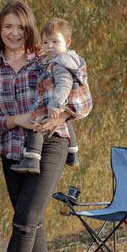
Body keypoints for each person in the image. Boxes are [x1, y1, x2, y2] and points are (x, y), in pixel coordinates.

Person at [0, 1, 91, 252]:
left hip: (50, 144)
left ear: (29, 29)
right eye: (7, 27)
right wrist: (16, 120)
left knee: (25, 220)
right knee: (34, 224)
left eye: (20, 27)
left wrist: (58, 116)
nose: (13, 33)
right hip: (13, 153)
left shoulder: (45, 59)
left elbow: (82, 100)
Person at [10, 17, 90, 174]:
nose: (49, 46)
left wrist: (55, 104)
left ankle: (32, 158)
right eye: (45, 43)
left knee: (37, 122)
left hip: (53, 102)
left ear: (67, 42)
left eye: (55, 42)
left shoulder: (61, 63)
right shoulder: (58, 59)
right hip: (58, 103)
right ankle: (72, 151)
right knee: (65, 121)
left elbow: (64, 85)